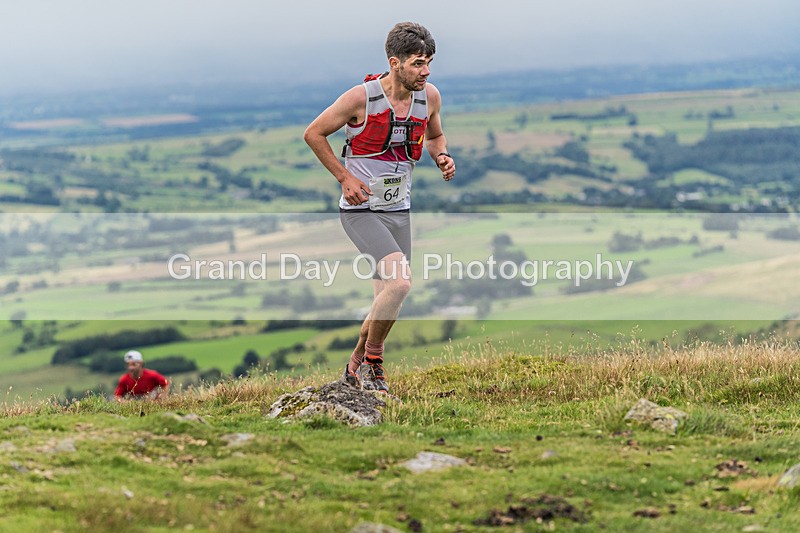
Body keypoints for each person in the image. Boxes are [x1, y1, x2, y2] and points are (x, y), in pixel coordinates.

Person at [304, 22, 455, 393]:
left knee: (384, 302)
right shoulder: (361, 98)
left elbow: (434, 136)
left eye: (430, 62)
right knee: (401, 284)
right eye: (419, 63)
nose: (426, 71)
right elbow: (313, 133)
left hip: (399, 210)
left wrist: (442, 156)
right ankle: (372, 360)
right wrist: (344, 177)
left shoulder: (429, 96)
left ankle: (356, 366)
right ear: (395, 63)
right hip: (361, 211)